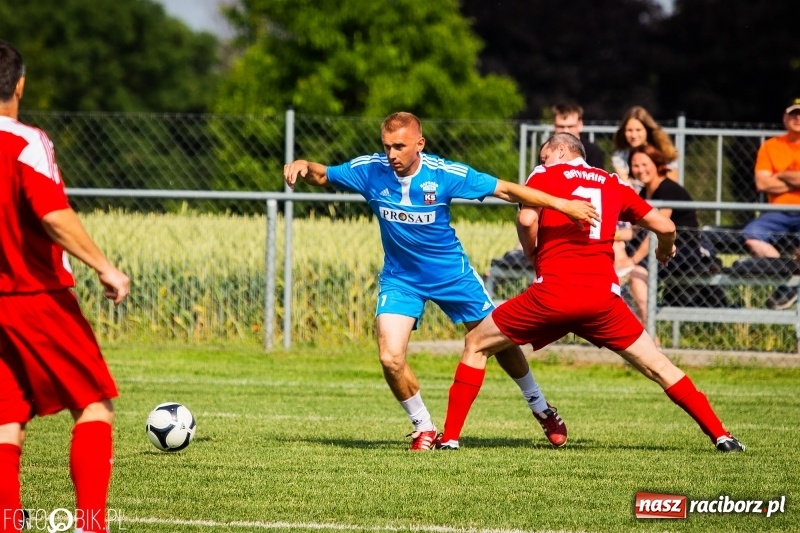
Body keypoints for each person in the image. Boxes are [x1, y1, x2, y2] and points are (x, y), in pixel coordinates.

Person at [284, 112, 599, 451]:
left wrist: (562, 204)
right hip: (400, 279)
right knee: (390, 357)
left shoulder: (445, 174)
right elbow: (323, 175)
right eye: (387, 146)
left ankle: (541, 408)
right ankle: (424, 428)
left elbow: (506, 190)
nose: (392, 155)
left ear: (420, 144)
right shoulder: (369, 170)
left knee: (499, 343)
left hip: (453, 277)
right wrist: (304, 163)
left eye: (400, 147)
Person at [437, 133, 745, 453]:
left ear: (560, 151)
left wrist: (532, 254)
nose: (541, 163)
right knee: (658, 366)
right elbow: (666, 228)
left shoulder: (545, 174)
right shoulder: (614, 183)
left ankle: (449, 439)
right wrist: (665, 251)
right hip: (602, 299)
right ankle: (722, 436)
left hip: (552, 294)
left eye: (544, 156)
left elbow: (527, 218)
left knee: (476, 344)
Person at [0, 41, 131, 533]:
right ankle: (90, 526)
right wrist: (104, 266)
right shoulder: (24, 142)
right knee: (93, 403)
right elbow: (52, 213)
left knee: (5, 419)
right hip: (35, 295)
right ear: (19, 85)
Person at [624, 145, 721, 328]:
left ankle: (649, 334)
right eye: (635, 165)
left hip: (682, 251)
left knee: (636, 273)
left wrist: (632, 261)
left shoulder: (668, 190)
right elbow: (635, 230)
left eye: (645, 164)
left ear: (657, 164)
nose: (640, 169)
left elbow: (658, 230)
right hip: (659, 248)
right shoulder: (645, 192)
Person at [742, 98, 800, 310]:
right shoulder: (771, 146)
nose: (798, 118)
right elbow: (762, 183)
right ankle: (789, 277)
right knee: (751, 235)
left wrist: (782, 175)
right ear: (785, 118)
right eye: (794, 114)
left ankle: (790, 285)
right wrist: (795, 181)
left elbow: (771, 180)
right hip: (778, 212)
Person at [611, 106, 679, 185]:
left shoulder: (664, 153)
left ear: (647, 130)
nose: (634, 135)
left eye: (638, 130)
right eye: (629, 130)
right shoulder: (620, 156)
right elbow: (627, 188)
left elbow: (672, 185)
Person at [552, 101, 606, 169]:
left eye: (570, 126)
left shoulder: (592, 152)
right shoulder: (547, 150)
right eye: (561, 126)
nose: (565, 131)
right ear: (554, 126)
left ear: (580, 125)